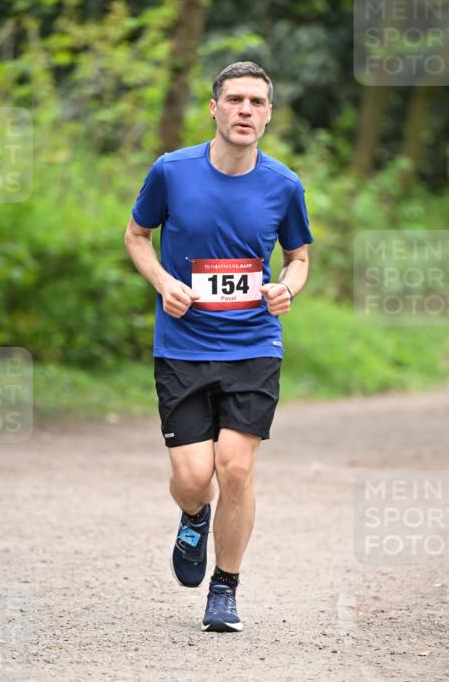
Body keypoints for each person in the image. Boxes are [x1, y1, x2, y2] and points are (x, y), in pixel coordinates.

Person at [124, 61, 312, 632]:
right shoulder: (171, 172)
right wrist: (164, 284)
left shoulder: (284, 185)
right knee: (192, 476)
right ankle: (192, 516)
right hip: (181, 344)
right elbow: (137, 236)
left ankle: (224, 588)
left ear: (269, 114)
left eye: (256, 102)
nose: (245, 111)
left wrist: (286, 288)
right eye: (235, 100)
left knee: (235, 468)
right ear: (214, 108)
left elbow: (299, 257)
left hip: (254, 343)